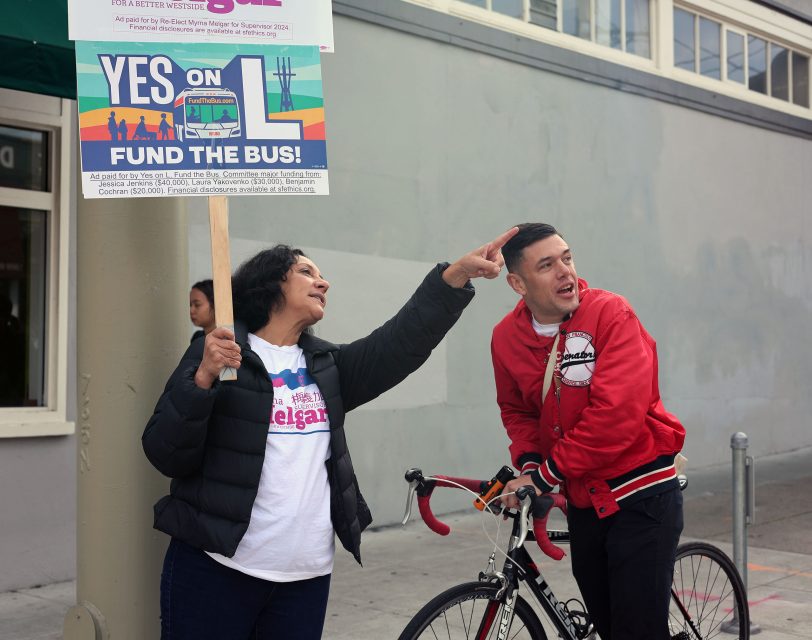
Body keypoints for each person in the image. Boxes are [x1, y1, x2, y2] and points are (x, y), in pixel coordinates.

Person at [143, 228, 518, 640]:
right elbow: (166, 450)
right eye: (306, 272)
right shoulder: (219, 353)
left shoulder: (327, 367)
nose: (323, 282)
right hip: (217, 567)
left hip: (305, 578)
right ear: (270, 285)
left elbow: (399, 343)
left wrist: (454, 278)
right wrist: (202, 379)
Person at [493, 223, 685, 640]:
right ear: (517, 283)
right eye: (546, 265)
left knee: (637, 630)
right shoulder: (505, 338)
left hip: (642, 496)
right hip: (584, 500)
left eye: (567, 257)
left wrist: (544, 476)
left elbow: (615, 415)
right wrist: (528, 463)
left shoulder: (610, 313)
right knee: (610, 625)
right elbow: (517, 411)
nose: (565, 271)